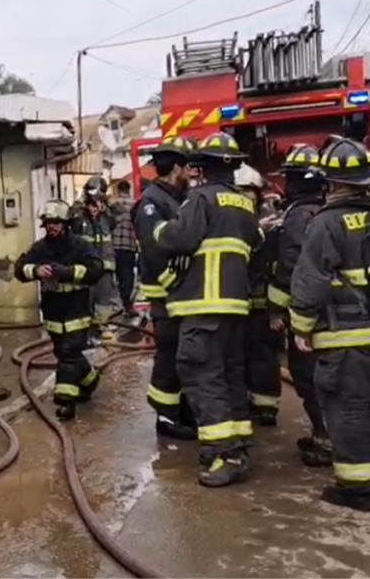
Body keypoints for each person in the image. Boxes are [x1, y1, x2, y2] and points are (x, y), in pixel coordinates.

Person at [152, 131, 260, 488]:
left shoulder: (200, 199)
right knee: (230, 375)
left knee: (200, 375)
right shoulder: (245, 204)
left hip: (203, 305)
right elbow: (255, 244)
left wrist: (160, 230)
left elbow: (179, 238)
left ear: (203, 167)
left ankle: (221, 456)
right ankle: (240, 445)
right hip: (234, 307)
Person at [289, 138, 370, 512]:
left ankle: (356, 488)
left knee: (349, 410)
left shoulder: (326, 223)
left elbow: (310, 282)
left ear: (330, 182)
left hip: (345, 338)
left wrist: (301, 327)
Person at [266, 144, 330, 467]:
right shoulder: (327, 212)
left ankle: (326, 439)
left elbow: (290, 268)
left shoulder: (296, 218)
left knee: (308, 377)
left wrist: (277, 310)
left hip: (306, 316)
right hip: (335, 314)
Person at [14, 200, 106, 421]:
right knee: (68, 354)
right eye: (47, 223)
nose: (51, 227)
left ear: (66, 223)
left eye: (55, 222)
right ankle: (89, 379)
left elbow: (97, 269)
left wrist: (68, 272)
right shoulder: (40, 248)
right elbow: (19, 269)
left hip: (77, 311)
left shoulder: (80, 246)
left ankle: (65, 401)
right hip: (54, 313)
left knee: (67, 354)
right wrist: (35, 270)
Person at [132, 135, 197, 440]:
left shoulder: (175, 198)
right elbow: (153, 249)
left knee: (183, 355)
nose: (191, 174)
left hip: (181, 294)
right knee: (169, 354)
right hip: (166, 294)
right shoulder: (151, 202)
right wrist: (174, 282)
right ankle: (166, 417)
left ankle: (182, 411)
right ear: (177, 168)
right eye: (188, 167)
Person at [234, 163, 283, 427]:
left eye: (248, 191)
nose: (244, 196)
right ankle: (246, 402)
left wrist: (277, 309)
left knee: (264, 355)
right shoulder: (232, 217)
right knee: (238, 355)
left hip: (264, 302)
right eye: (239, 190)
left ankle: (266, 407)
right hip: (236, 302)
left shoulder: (270, 221)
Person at [71, 176, 118, 341]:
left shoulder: (107, 212)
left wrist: (104, 209)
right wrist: (84, 205)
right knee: (85, 297)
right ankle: (86, 328)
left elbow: (114, 221)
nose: (95, 206)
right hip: (86, 262)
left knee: (104, 298)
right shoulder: (79, 212)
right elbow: (74, 223)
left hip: (105, 262)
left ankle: (102, 325)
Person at [110, 180, 138, 315]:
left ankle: (117, 305)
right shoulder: (135, 205)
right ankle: (127, 304)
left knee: (115, 277)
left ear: (118, 189)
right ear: (128, 189)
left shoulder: (111, 204)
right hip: (129, 246)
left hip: (112, 246)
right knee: (128, 277)